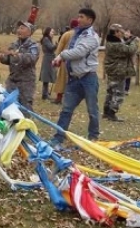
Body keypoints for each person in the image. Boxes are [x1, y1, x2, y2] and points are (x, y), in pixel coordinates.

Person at [49, 9, 101, 147]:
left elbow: (80, 52)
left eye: (82, 17)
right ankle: (58, 138)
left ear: (90, 20)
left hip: (88, 78)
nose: (78, 19)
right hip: (73, 78)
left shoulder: (92, 36)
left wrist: (62, 55)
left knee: (92, 109)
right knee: (66, 109)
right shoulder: (76, 34)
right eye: (78, 16)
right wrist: (59, 58)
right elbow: (70, 49)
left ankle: (93, 138)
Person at [0, 21, 39, 111]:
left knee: (25, 107)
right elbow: (9, 60)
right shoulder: (14, 44)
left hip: (26, 82)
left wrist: (18, 56)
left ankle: (26, 124)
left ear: (29, 32)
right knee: (9, 106)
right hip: (12, 80)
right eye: (18, 28)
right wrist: (1, 57)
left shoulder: (33, 46)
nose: (19, 30)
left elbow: (32, 59)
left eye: (22, 28)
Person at [103, 24, 139, 122]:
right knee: (119, 93)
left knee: (110, 91)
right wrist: (135, 41)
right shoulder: (115, 44)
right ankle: (112, 113)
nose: (122, 33)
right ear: (116, 33)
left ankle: (106, 112)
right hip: (118, 70)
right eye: (120, 32)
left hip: (112, 70)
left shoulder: (111, 42)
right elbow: (129, 50)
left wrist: (129, 40)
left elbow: (123, 45)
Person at [52, 19, 79, 104]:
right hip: (76, 61)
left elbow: (60, 47)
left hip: (65, 59)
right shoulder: (80, 34)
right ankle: (72, 99)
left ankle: (59, 98)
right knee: (73, 80)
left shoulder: (66, 34)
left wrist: (57, 58)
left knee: (62, 79)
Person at [39, 27, 57, 100]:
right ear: (48, 32)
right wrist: (57, 44)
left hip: (49, 58)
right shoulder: (46, 39)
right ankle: (44, 95)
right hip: (47, 59)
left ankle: (45, 94)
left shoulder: (47, 39)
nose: (53, 33)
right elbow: (51, 48)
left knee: (47, 77)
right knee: (46, 77)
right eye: (52, 32)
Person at [122, 29, 137, 94]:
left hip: (130, 60)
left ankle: (126, 89)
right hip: (121, 60)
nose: (126, 33)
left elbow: (132, 50)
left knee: (128, 75)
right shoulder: (121, 40)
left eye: (128, 32)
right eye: (126, 32)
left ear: (130, 34)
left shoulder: (134, 41)